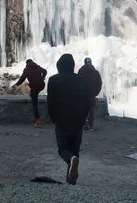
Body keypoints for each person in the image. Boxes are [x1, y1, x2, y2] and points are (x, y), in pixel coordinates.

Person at [47, 54, 90, 185]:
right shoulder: (82, 80)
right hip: (78, 120)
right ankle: (71, 182)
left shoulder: (53, 80)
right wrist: (84, 118)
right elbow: (86, 101)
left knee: (63, 149)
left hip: (61, 119)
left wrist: (53, 118)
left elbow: (51, 102)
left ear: (59, 66)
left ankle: (71, 160)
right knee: (75, 149)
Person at [13, 59, 48, 126]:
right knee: (34, 90)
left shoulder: (26, 69)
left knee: (34, 104)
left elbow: (22, 78)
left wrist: (17, 84)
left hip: (34, 87)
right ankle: (32, 94)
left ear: (27, 63)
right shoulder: (37, 66)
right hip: (42, 85)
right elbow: (45, 71)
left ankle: (38, 120)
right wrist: (43, 77)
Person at [78, 57, 103, 131]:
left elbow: (77, 82)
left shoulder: (80, 71)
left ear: (84, 63)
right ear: (91, 63)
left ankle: (83, 124)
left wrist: (79, 92)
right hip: (91, 95)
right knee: (91, 110)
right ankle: (90, 125)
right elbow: (99, 83)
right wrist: (96, 92)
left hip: (82, 94)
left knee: (82, 109)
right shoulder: (96, 72)